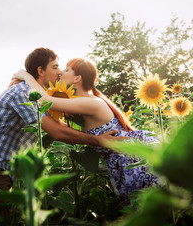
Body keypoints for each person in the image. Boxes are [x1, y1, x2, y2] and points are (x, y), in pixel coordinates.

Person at [0, 48, 126, 218]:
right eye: (55, 67)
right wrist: (98, 140)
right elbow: (57, 132)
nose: (59, 73)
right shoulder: (25, 93)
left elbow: (58, 125)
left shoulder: (35, 94)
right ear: (40, 71)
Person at [14, 58, 159, 207]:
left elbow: (45, 101)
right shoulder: (83, 102)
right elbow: (62, 127)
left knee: (149, 209)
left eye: (67, 70)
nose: (61, 73)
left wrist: (26, 77)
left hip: (133, 159)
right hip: (124, 157)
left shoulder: (90, 102)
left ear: (77, 79)